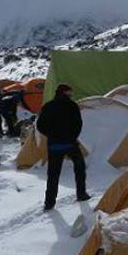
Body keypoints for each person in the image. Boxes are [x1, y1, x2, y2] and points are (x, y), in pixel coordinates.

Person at [36, 83, 90, 211]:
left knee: (53, 174)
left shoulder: (48, 106)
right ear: (64, 93)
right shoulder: (72, 106)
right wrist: (72, 136)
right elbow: (78, 124)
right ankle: (81, 194)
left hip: (54, 145)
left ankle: (49, 203)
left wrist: (51, 135)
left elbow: (40, 126)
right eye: (69, 93)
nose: (70, 95)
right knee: (79, 167)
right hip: (70, 144)